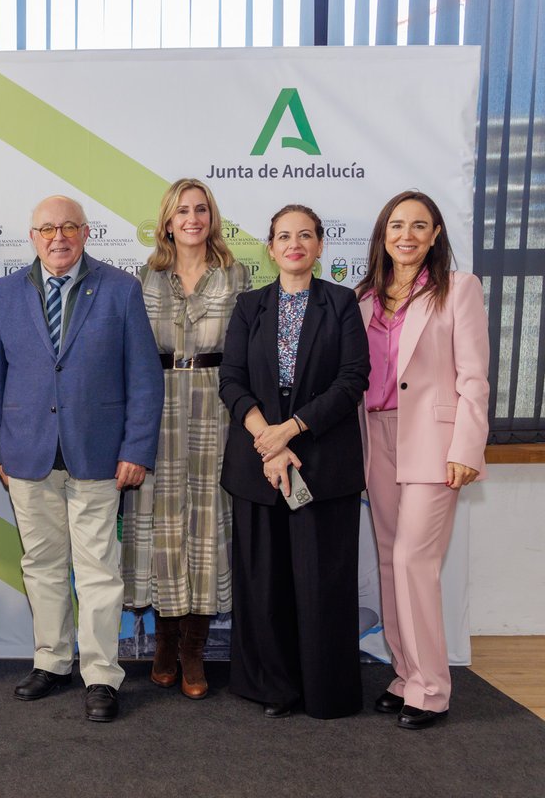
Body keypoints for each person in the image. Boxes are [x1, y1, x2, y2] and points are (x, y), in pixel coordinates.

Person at [0, 195, 164, 722]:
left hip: (99, 454)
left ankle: (101, 674)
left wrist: (136, 448)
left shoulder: (121, 289)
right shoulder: (4, 292)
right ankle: (52, 660)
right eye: (46, 228)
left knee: (98, 571)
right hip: (27, 453)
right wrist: (0, 448)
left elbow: (144, 379)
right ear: (33, 235)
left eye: (68, 227)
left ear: (86, 233)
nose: (57, 237)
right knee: (41, 565)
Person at [219, 204, 369, 720]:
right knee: (264, 583)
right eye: (284, 236)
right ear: (271, 247)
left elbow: (353, 379)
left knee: (320, 582)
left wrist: (291, 431)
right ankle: (273, 688)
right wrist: (268, 439)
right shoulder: (249, 305)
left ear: (321, 246)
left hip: (323, 461)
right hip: (258, 462)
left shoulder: (342, 302)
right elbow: (232, 381)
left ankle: (324, 691)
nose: (295, 244)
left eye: (305, 235)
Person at [356, 191, 489, 730]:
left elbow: (474, 378)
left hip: (435, 443)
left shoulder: (459, 290)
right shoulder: (364, 297)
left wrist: (467, 447)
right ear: (383, 235)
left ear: (436, 234)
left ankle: (431, 689)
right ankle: (405, 673)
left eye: (419, 226)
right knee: (390, 560)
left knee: (414, 560)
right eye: (396, 225)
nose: (406, 235)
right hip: (378, 437)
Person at [121, 178, 250, 699]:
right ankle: (165, 642)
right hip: (157, 408)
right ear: (167, 221)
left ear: (211, 218)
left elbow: (247, 354)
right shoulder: (143, 279)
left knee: (208, 526)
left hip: (217, 409)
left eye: (201, 210)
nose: (192, 219)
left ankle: (194, 649)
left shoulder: (237, 276)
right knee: (161, 529)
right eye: (182, 211)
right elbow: (130, 356)